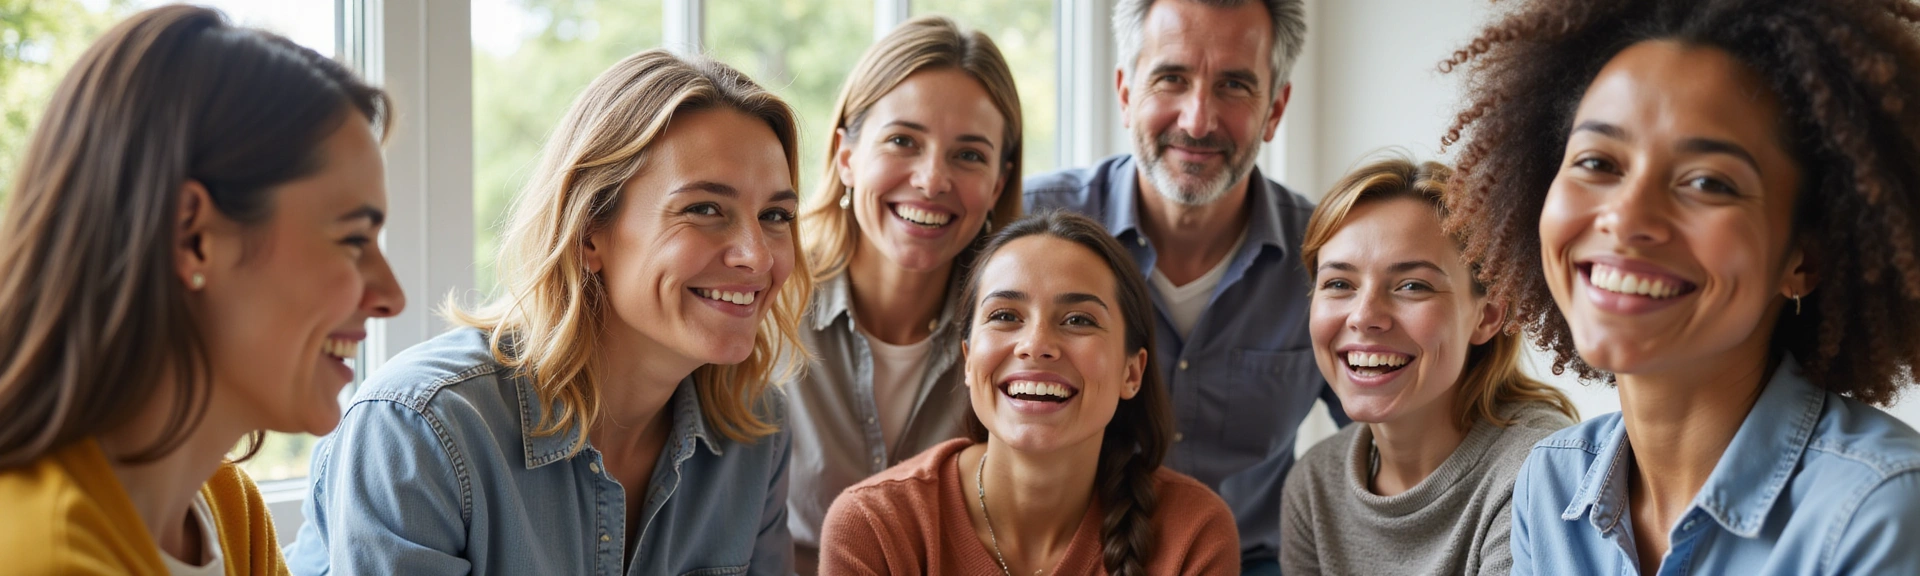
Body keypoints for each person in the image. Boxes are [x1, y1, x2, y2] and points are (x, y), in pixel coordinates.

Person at [286, 50, 808, 575]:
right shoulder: (419, 429)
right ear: (589, 232)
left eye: (775, 215)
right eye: (704, 209)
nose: (758, 256)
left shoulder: (755, 429)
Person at [1442, 0, 1920, 573]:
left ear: (1804, 259)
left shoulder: (1881, 511)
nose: (1626, 217)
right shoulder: (1550, 484)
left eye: (1708, 182)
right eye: (1597, 163)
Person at [0, 5, 405, 574]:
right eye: (354, 239)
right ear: (193, 237)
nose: (391, 297)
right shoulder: (44, 557)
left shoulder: (227, 509)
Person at [1023, 0, 1332, 571]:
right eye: (1171, 78)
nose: (1197, 121)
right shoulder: (1025, 231)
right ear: (1125, 92)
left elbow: (1403, 435)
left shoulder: (1327, 260)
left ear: (1275, 109)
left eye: (1234, 85)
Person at [820, 211, 1239, 575]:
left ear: (1132, 372)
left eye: (1079, 320)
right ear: (968, 360)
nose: (1036, 345)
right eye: (1005, 315)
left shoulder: (1194, 532)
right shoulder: (872, 525)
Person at [785, 16, 1023, 572]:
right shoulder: (763, 300)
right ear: (847, 156)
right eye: (902, 141)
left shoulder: (1020, 341)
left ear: (998, 182)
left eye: (969, 155)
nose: (932, 180)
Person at [1279, 157, 1577, 575]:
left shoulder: (1540, 470)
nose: (1364, 316)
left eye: (1412, 286)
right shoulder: (1314, 485)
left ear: (1488, 315)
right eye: (1339, 284)